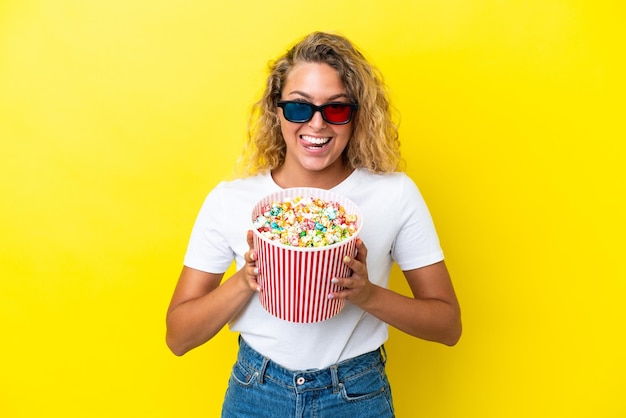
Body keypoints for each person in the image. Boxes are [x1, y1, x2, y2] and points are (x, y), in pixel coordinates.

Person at [166, 31, 461, 417]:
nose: (317, 125)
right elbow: (179, 337)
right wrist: (247, 278)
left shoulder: (394, 195)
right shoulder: (231, 200)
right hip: (257, 392)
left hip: (356, 394)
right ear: (278, 110)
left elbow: (448, 326)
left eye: (336, 109)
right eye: (300, 108)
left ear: (357, 116)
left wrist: (367, 294)